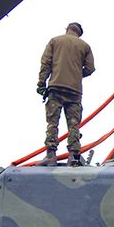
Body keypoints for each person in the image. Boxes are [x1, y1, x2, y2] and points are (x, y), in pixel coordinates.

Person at [36, 22, 95, 166]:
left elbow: (46, 63)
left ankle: (51, 156)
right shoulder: (84, 46)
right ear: (79, 33)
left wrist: (41, 84)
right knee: (74, 125)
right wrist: (76, 74)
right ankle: (73, 157)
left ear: (67, 29)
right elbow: (90, 68)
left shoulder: (55, 41)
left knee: (52, 123)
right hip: (74, 91)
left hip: (56, 87)